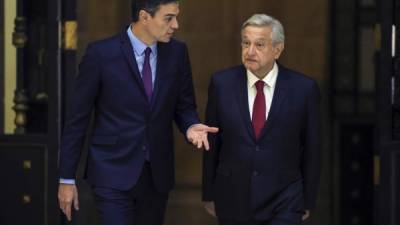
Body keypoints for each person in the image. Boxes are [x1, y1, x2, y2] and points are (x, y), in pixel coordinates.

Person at [57, 0, 218, 224]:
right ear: (144, 17)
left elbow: (185, 106)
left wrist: (191, 126)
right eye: (168, 18)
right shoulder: (101, 54)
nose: (176, 25)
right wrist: (66, 178)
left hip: (156, 175)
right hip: (111, 171)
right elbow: (77, 119)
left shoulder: (177, 53)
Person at [202, 13, 321, 225]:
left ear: (278, 49)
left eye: (259, 45)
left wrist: (308, 200)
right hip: (232, 197)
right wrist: (208, 193)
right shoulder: (222, 84)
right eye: (246, 43)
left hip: (285, 199)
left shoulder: (304, 89)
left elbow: (312, 148)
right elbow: (212, 141)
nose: (250, 51)